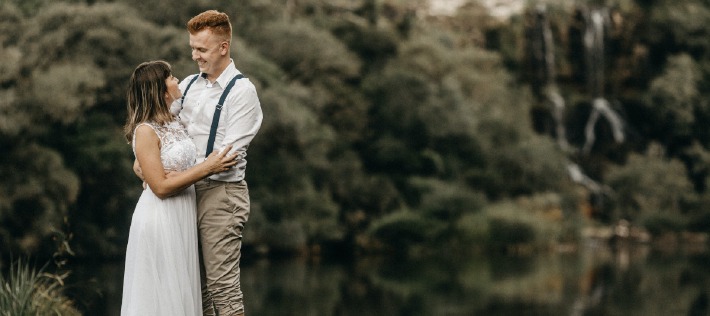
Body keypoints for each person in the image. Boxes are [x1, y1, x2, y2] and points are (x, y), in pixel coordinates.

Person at [135, 9, 263, 316]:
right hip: (184, 195)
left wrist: (171, 175)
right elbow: (162, 129)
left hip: (221, 195)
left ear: (223, 47)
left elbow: (227, 157)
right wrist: (144, 164)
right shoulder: (189, 84)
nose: (195, 56)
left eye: (201, 49)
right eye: (192, 48)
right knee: (196, 286)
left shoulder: (242, 92)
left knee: (222, 287)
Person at [121, 60, 238, 316]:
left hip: (182, 213)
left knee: (182, 292)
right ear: (160, 90)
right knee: (161, 296)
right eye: (171, 77)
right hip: (160, 217)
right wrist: (207, 167)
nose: (176, 80)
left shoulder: (174, 119)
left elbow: (151, 164)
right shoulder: (145, 130)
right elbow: (161, 187)